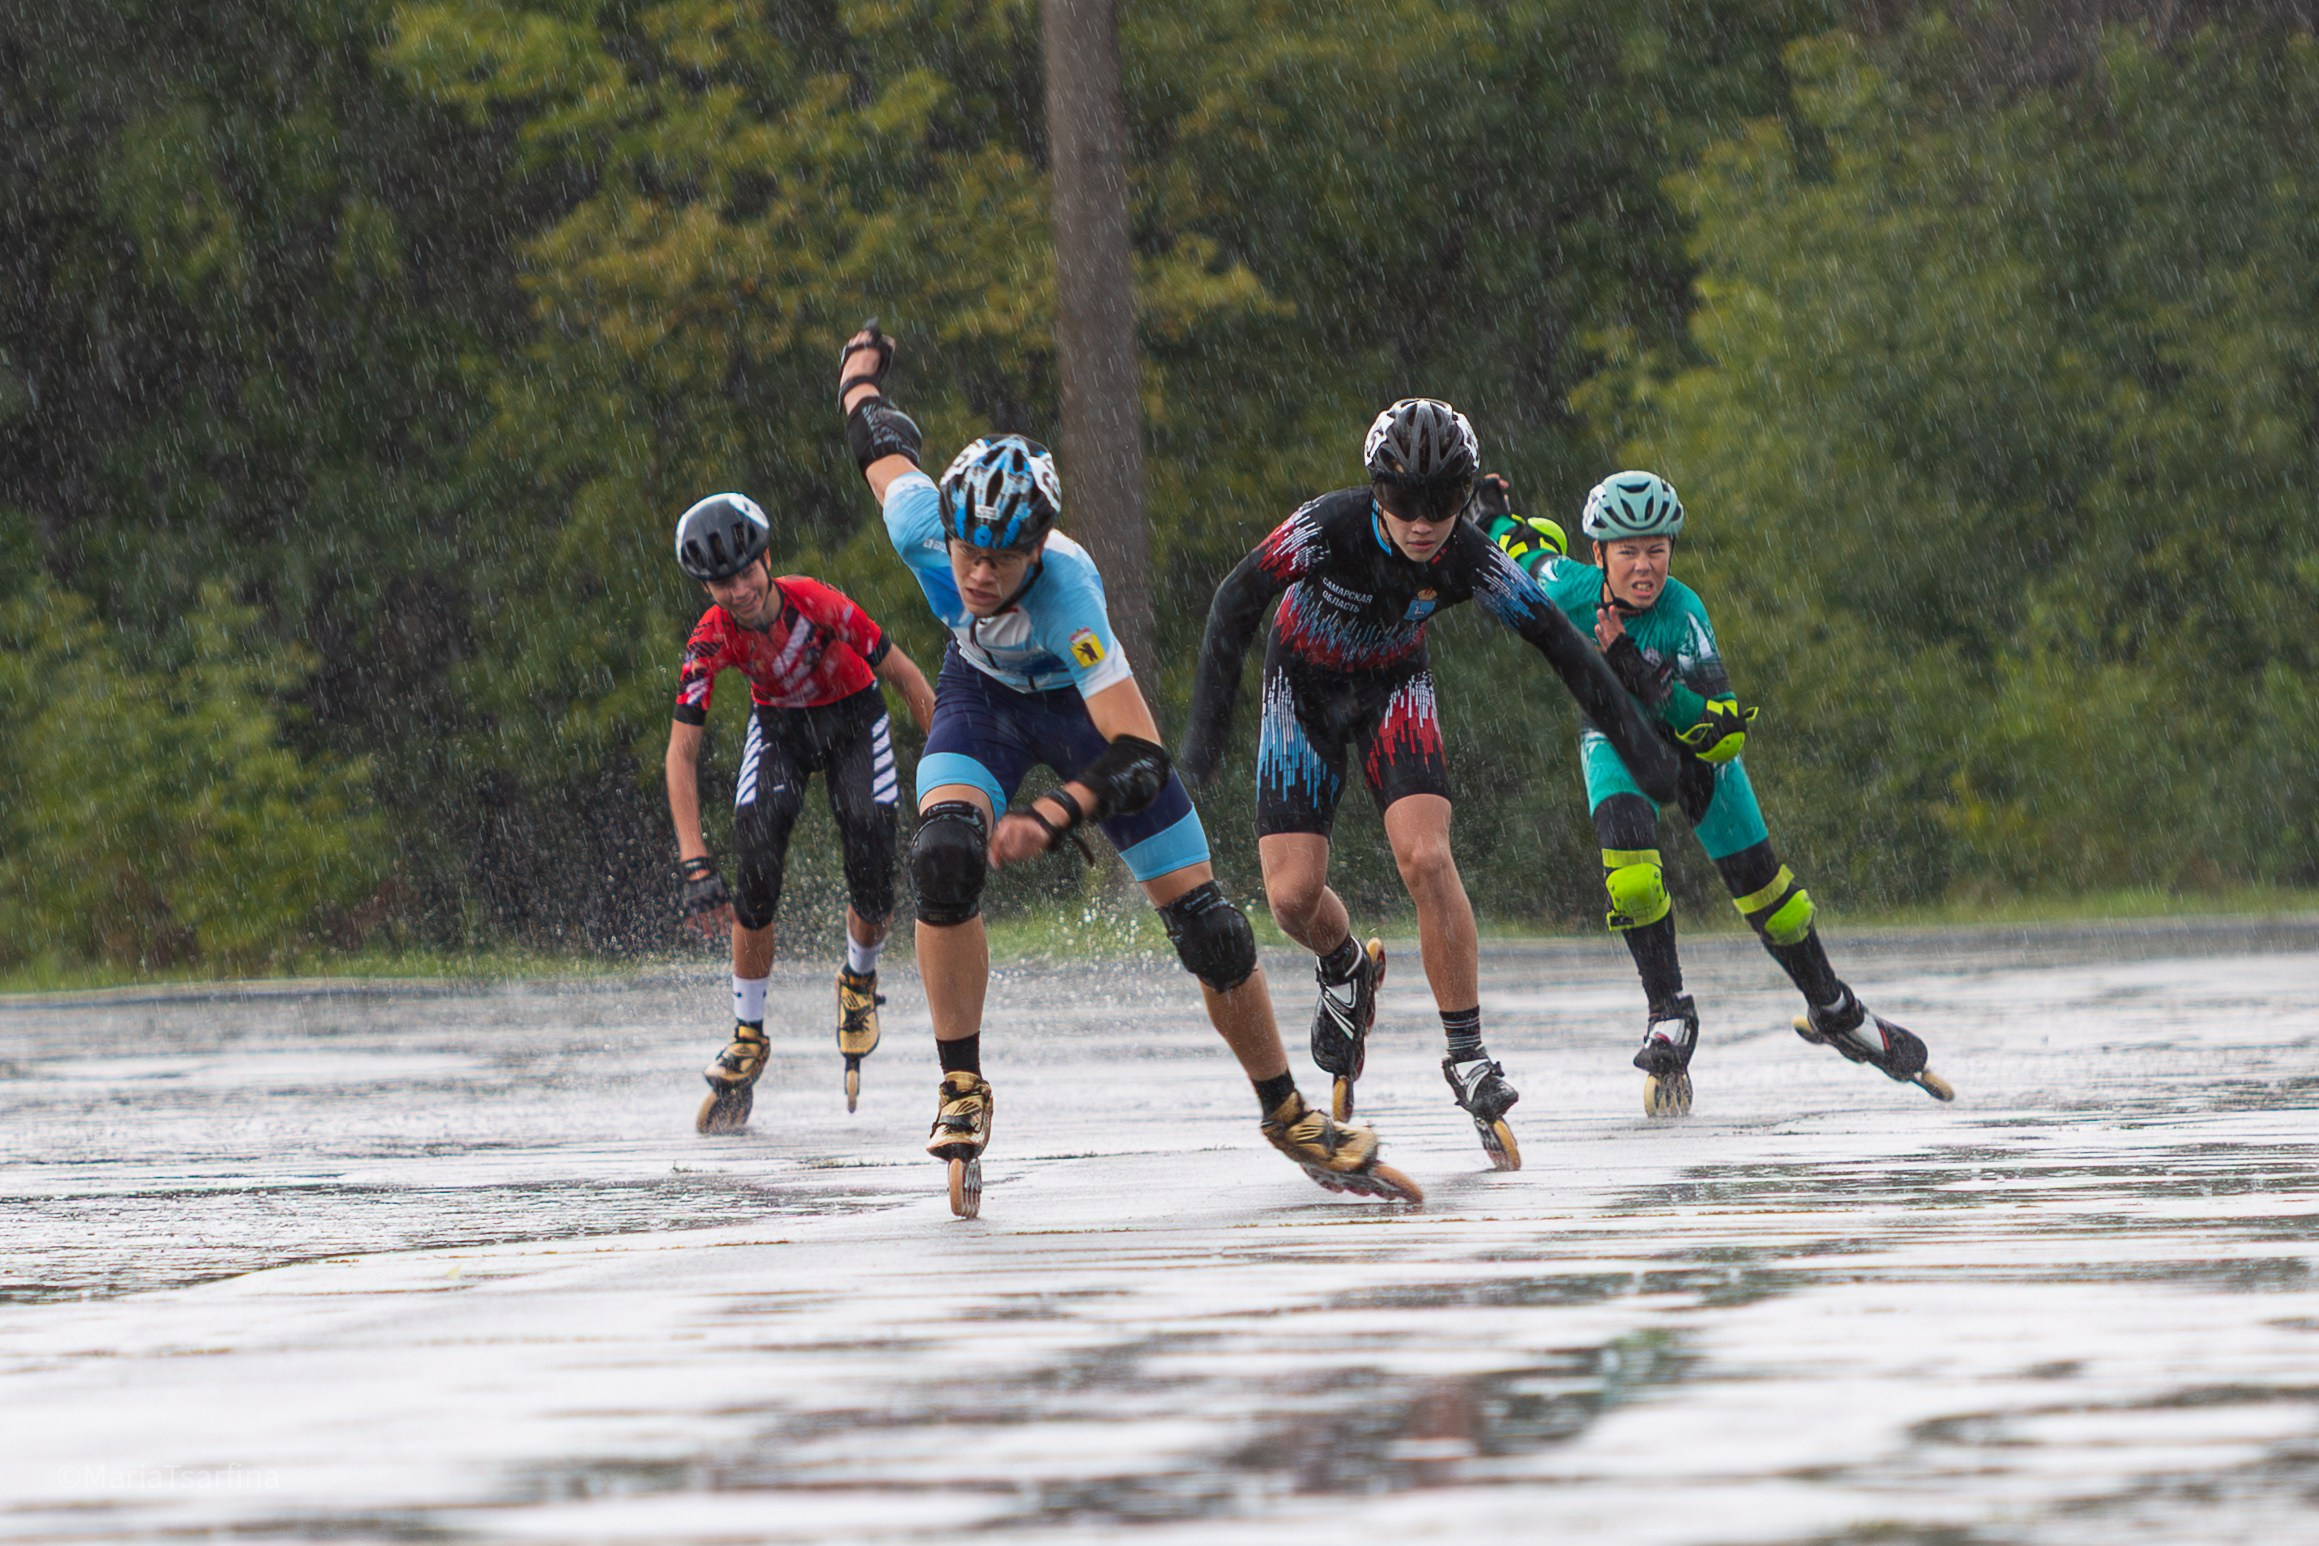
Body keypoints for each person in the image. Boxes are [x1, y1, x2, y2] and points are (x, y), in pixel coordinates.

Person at [836, 322, 1419, 1214]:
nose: (980, 575)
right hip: (979, 702)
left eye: (1002, 561)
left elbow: (1138, 756)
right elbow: (882, 448)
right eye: (967, 555)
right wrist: (859, 378)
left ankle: (1287, 1113)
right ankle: (960, 1087)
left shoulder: (1068, 592)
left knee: (1212, 932)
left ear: (1039, 546)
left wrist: (1055, 815)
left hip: (1081, 720)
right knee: (941, 859)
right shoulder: (926, 526)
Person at [1179, 400, 1682, 1169]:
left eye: (1441, 505)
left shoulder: (1469, 556)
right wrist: (1203, 742)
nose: (1421, 524)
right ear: (1376, 491)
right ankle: (1346, 965)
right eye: (1404, 503)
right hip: (1303, 690)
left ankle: (1468, 1051)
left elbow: (1560, 643)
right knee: (1290, 899)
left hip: (1391, 690)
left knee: (1425, 856)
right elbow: (1233, 603)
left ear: (1462, 496)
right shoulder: (1326, 527)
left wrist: (1639, 749)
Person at [1480, 470, 1952, 1112]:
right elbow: (1519, 551)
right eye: (1627, 551)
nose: (1644, 567)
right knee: (1634, 882)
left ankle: (1835, 1008)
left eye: (1656, 550)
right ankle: (1668, 1009)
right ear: (1598, 554)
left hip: (1699, 756)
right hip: (1617, 743)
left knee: (1775, 902)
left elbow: (1725, 732)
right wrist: (1494, 509)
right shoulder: (1569, 588)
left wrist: (1644, 677)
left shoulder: (1685, 612)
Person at [667, 491, 937, 1132]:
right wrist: (695, 862)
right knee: (755, 859)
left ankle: (859, 982)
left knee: (871, 852)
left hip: (854, 720)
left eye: (746, 572)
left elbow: (913, 684)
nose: (738, 591)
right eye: (721, 581)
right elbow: (681, 755)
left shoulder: (819, 603)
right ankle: (747, 1031)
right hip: (782, 728)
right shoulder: (710, 638)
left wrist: (953, 794)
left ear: (766, 559)